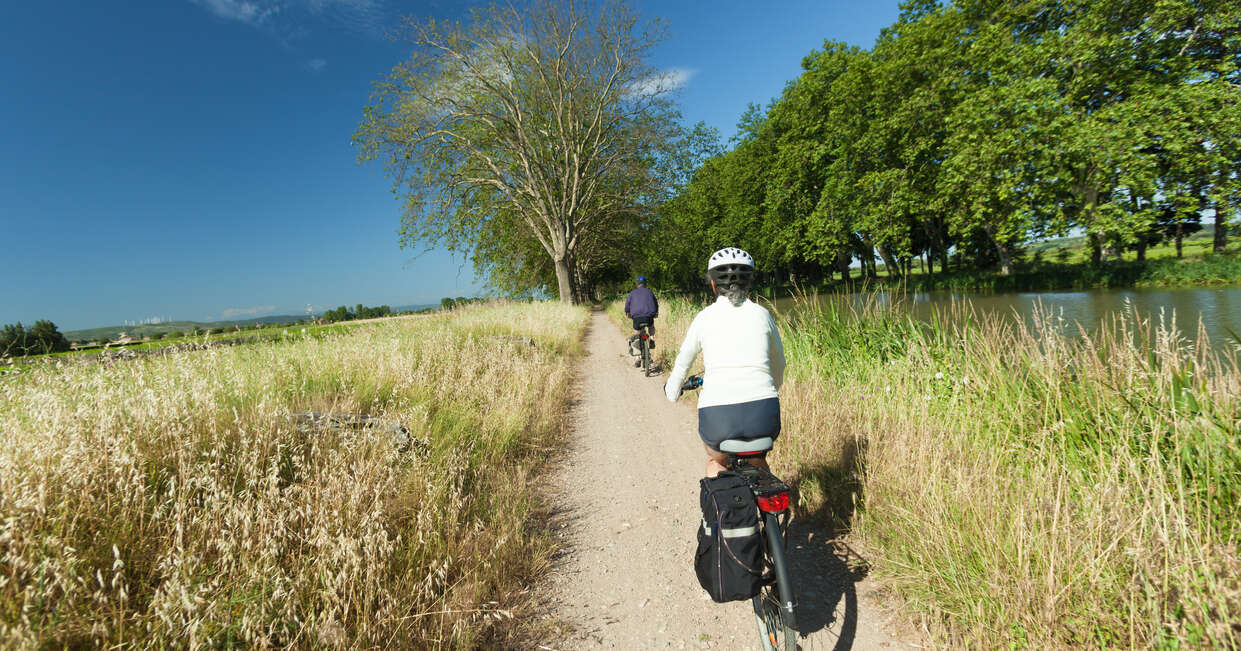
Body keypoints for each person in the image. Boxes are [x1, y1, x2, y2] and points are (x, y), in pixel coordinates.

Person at [664, 248, 785, 477]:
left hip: (718, 417)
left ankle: (718, 511)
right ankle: (768, 504)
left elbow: (683, 362)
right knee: (758, 460)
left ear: (712, 285)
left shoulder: (704, 318)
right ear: (748, 283)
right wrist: (773, 388)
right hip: (764, 412)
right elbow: (779, 361)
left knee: (716, 461)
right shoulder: (762, 314)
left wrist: (672, 392)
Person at [624, 276, 659, 362]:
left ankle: (637, 357)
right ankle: (651, 338)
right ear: (645, 284)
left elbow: (627, 306)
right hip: (648, 316)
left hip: (636, 318)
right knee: (651, 326)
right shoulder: (650, 292)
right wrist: (655, 313)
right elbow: (656, 303)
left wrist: (628, 314)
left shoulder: (632, 293)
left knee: (637, 333)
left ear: (637, 284)